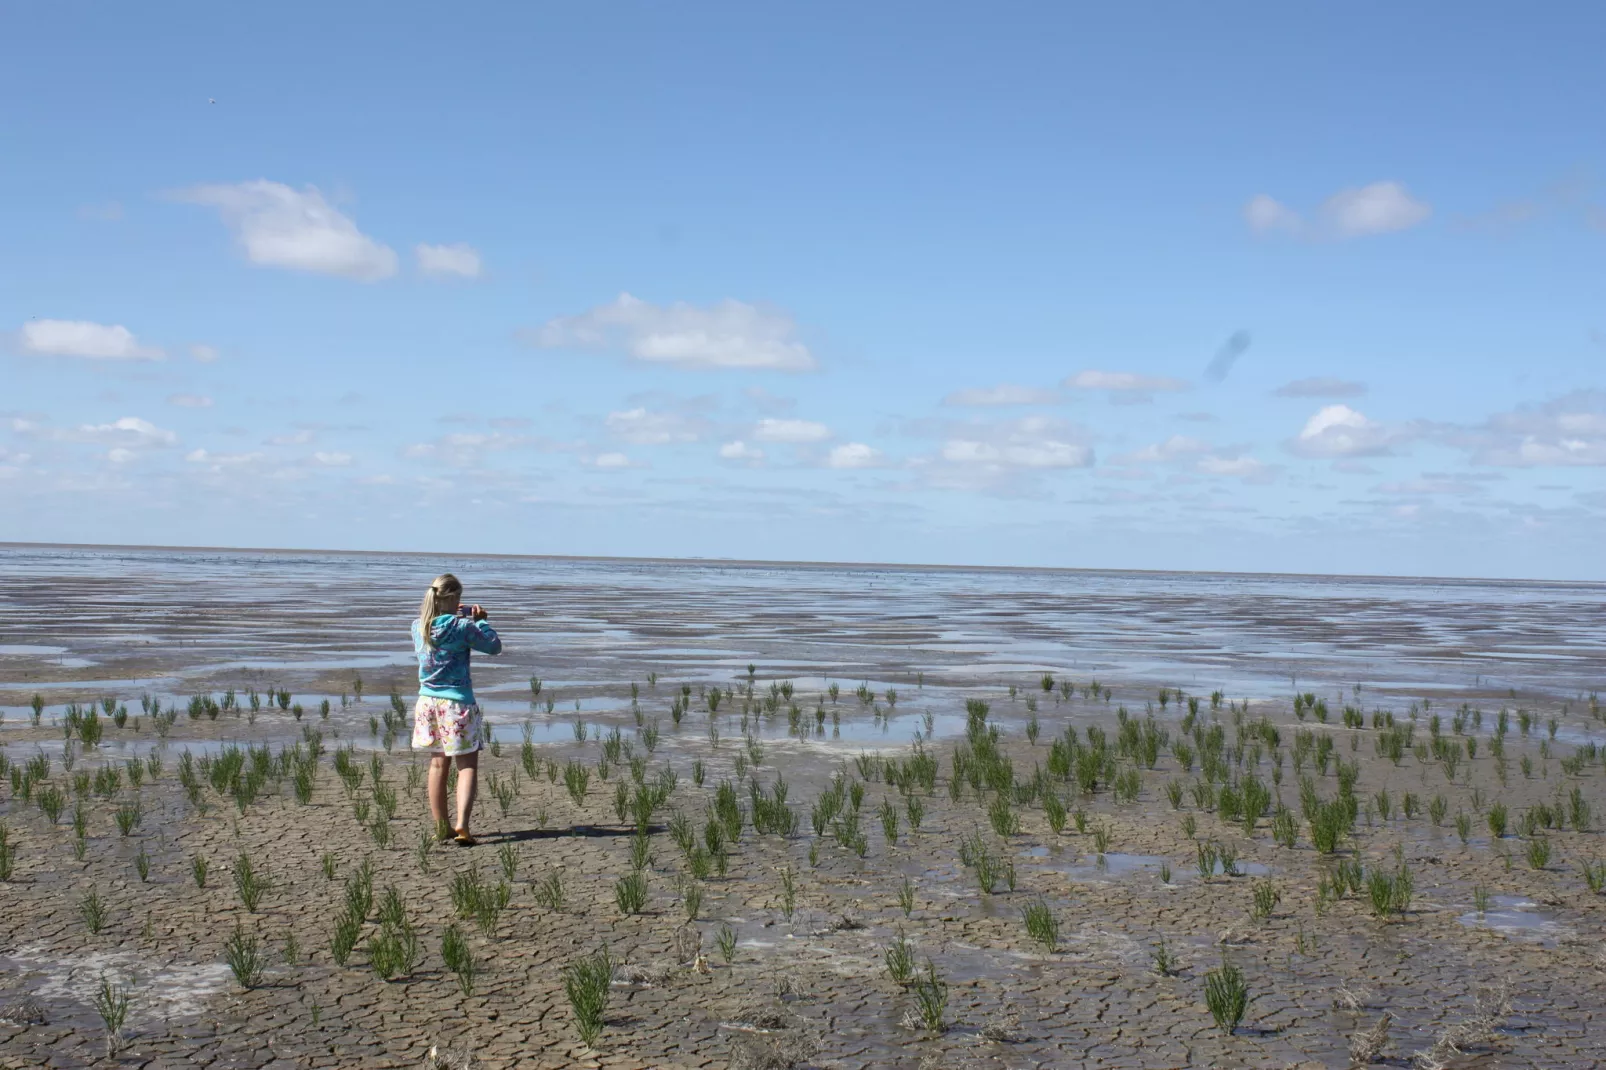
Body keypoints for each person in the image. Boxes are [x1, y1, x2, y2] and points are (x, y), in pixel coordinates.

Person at [412, 573, 502, 845]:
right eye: (459, 598)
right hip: (457, 703)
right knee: (467, 765)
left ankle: (442, 826)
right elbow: (494, 647)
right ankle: (462, 826)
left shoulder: (418, 626)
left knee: (438, 764)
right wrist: (482, 621)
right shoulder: (462, 627)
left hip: (427, 702)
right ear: (453, 599)